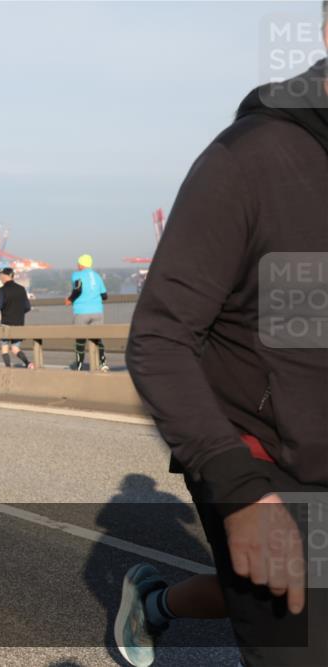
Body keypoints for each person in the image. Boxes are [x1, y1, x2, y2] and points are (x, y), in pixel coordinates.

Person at [123, 16, 328, 667]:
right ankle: (156, 606)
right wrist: (239, 488)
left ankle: (159, 604)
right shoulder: (250, 158)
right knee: (295, 619)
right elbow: (158, 337)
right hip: (270, 459)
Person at [65, 253, 109, 372]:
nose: (77, 265)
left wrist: (70, 299)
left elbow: (77, 289)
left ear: (82, 264)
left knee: (80, 339)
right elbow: (104, 296)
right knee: (97, 338)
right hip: (97, 312)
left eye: (78, 263)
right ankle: (103, 363)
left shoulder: (77, 274)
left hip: (81, 311)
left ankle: (79, 364)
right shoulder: (97, 276)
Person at [0, 267, 34, 369]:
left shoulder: (2, 290)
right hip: (19, 324)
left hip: (6, 324)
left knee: (4, 348)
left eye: (2, 275)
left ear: (7, 276)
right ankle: (28, 363)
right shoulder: (21, 289)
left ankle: (8, 367)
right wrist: (18, 314)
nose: (1, 277)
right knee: (15, 348)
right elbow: (27, 307)